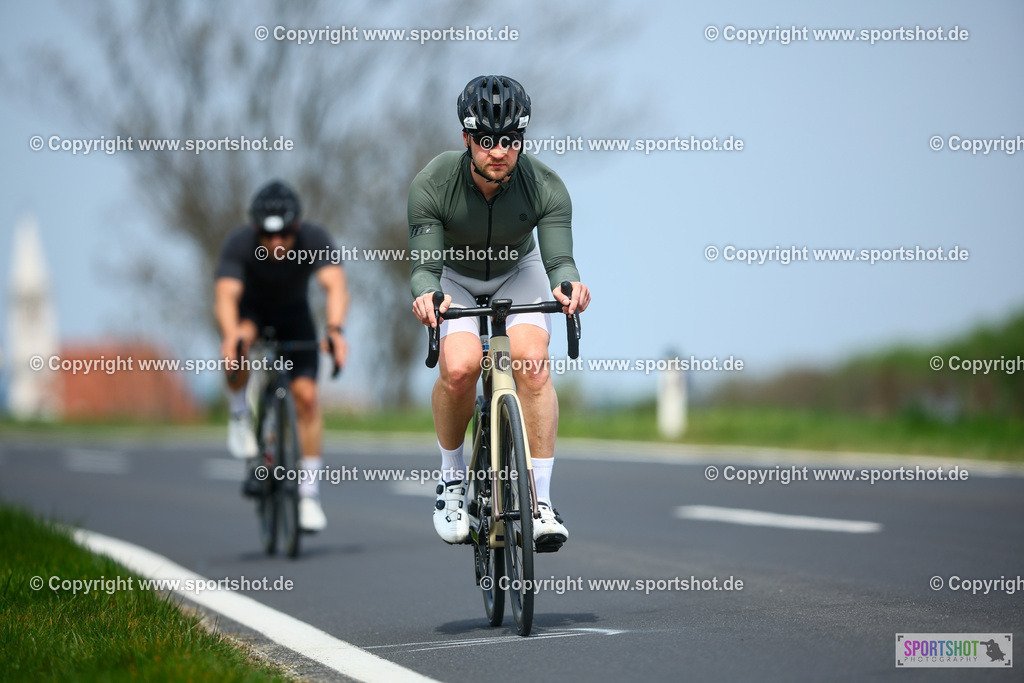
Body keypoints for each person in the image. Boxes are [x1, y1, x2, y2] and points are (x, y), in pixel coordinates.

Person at [409, 75, 591, 551]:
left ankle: (540, 502)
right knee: (461, 368)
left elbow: (559, 262)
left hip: (517, 270)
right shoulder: (433, 183)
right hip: (456, 277)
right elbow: (425, 269)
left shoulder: (545, 185)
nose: (498, 151)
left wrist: (569, 286)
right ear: (466, 139)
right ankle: (452, 481)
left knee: (532, 364)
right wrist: (428, 294)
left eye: (510, 140)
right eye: (486, 140)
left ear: (521, 140)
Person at [214, 180, 349, 532]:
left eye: (284, 235)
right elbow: (226, 295)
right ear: (255, 229)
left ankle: (308, 496)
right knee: (237, 346)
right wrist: (230, 336)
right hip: (253, 316)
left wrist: (335, 330)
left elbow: (335, 285)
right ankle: (240, 413)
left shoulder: (313, 238)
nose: (276, 243)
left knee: (307, 397)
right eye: (267, 235)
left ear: (297, 227)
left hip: (294, 317)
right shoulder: (239, 243)